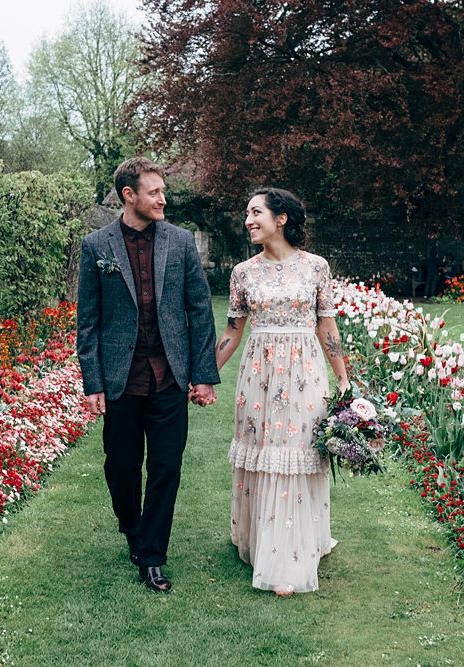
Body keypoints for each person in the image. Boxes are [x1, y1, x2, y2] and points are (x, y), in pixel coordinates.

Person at [76, 157, 220, 592]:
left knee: (165, 467)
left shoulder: (180, 243)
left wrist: (203, 374)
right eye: (154, 192)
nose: (163, 199)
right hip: (121, 377)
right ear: (129, 195)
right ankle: (132, 527)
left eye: (163, 191)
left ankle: (153, 554)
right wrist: (93, 382)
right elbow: (88, 321)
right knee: (120, 465)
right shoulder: (96, 246)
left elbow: (200, 310)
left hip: (170, 376)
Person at [213, 187, 349, 596]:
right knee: (262, 453)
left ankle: (289, 558)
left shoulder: (316, 268)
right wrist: (203, 374)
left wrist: (343, 378)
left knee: (297, 454)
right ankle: (260, 542)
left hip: (305, 373)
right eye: (246, 214)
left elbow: (327, 326)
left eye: (256, 212)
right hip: (258, 376)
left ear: (282, 218)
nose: (248, 220)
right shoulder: (243, 272)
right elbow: (232, 333)